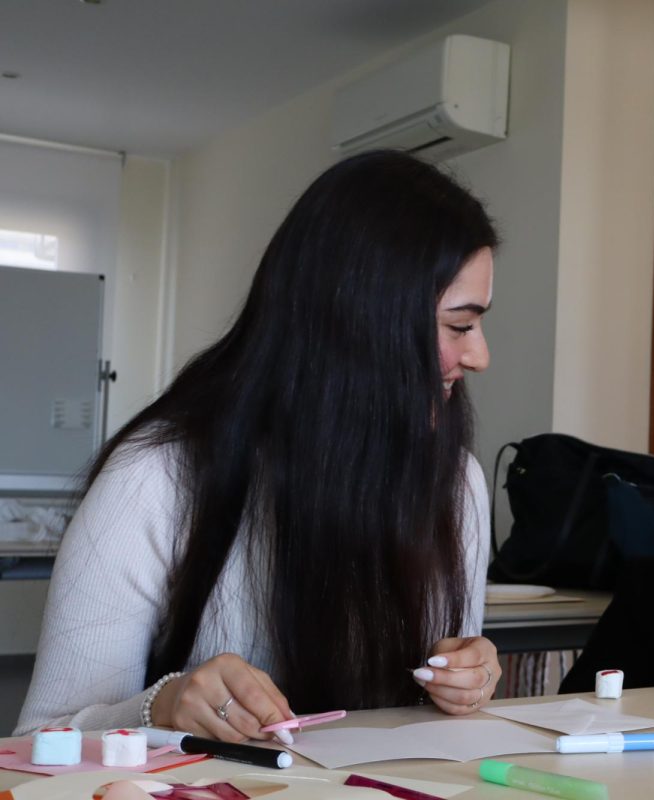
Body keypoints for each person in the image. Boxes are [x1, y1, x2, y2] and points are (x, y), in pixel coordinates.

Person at [16, 150, 503, 741]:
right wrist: (162, 707)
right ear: (360, 324)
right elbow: (39, 743)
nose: (479, 356)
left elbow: (432, 713)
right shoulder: (156, 477)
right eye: (459, 325)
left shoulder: (455, 482)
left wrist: (467, 679)